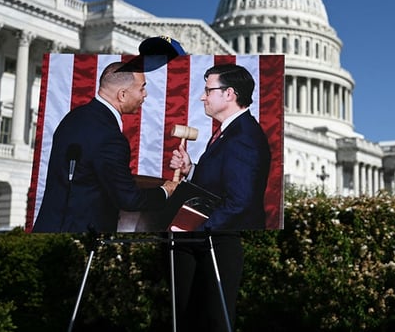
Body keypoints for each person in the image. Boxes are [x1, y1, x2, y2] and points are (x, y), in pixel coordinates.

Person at [169, 63, 271, 332]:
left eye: (207, 90)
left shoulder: (243, 135)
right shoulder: (230, 131)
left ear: (229, 94)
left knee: (211, 320)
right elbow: (222, 185)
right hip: (204, 240)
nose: (202, 97)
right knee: (189, 319)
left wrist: (195, 229)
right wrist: (191, 170)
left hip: (216, 241)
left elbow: (240, 201)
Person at [32, 61, 178, 233]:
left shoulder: (72, 118)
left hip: (48, 228)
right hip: (81, 239)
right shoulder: (110, 137)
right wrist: (165, 191)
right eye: (141, 88)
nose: (145, 95)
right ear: (122, 95)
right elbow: (128, 199)